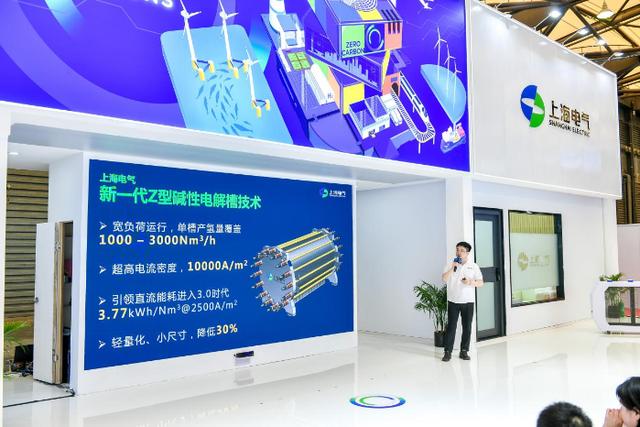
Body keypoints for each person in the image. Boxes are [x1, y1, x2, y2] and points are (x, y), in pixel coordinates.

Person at [441, 241, 483, 362]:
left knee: (467, 327)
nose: (459, 252)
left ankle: (464, 351)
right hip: (453, 301)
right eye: (457, 249)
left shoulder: (473, 266)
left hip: (468, 302)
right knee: (451, 327)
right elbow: (444, 279)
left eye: (462, 250)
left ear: (467, 253)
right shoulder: (450, 264)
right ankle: (447, 352)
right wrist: (453, 267)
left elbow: (481, 283)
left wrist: (470, 282)